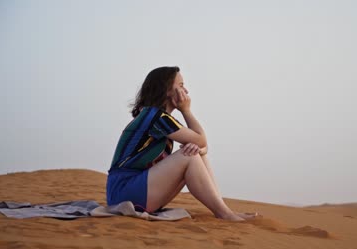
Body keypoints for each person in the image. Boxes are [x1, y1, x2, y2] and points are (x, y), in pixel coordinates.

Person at [106, 66, 258, 221]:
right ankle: (224, 213)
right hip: (124, 192)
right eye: (181, 85)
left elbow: (201, 143)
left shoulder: (163, 119)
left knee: (194, 153)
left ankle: (224, 210)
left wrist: (199, 149)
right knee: (189, 155)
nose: (186, 91)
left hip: (137, 191)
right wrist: (186, 111)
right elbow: (201, 139)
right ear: (166, 90)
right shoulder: (155, 117)